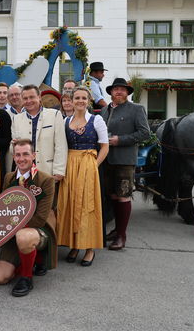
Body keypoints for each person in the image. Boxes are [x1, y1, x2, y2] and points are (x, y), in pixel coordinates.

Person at [0, 139, 56, 297]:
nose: (21, 159)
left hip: (37, 229)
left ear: (33, 155)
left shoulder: (46, 180)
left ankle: (26, 277)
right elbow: (3, 210)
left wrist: (11, 228)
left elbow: (41, 218)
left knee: (23, 237)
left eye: (26, 154)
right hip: (12, 230)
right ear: (14, 157)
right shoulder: (8, 177)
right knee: (0, 278)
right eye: (18, 155)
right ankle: (29, 258)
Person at [57, 87, 109, 266]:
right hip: (70, 164)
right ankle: (74, 244)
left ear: (89, 101)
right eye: (77, 98)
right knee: (71, 204)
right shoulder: (66, 121)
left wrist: (94, 165)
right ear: (71, 100)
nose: (80, 101)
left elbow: (105, 146)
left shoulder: (97, 120)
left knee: (87, 205)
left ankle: (89, 248)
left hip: (88, 163)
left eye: (83, 98)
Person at [100, 78, 150, 250]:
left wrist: (120, 140)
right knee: (113, 196)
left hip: (124, 161)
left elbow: (145, 133)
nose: (119, 92)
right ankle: (116, 230)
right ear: (111, 92)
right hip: (107, 161)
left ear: (127, 92)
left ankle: (122, 235)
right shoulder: (104, 111)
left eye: (122, 89)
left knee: (123, 196)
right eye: (116, 89)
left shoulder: (136, 109)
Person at [11, 85, 67, 181]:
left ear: (39, 97)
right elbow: (13, 149)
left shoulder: (54, 115)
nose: (29, 101)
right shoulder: (16, 119)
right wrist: (12, 145)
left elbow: (61, 145)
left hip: (48, 172)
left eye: (32, 97)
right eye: (25, 98)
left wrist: (59, 171)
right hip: (24, 174)